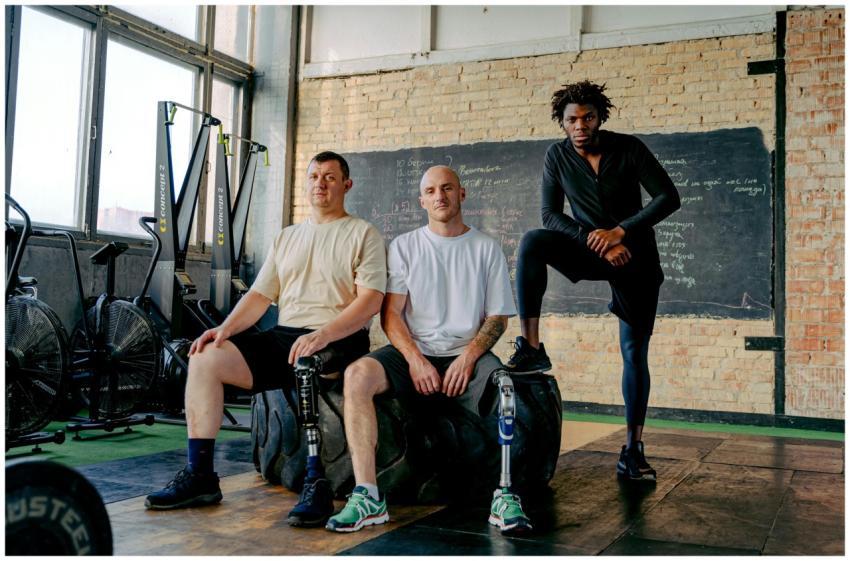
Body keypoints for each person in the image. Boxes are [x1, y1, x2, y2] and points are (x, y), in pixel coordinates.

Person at [145, 151, 387, 528]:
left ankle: (314, 481)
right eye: (314, 176)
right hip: (287, 335)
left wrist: (323, 334)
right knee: (205, 357)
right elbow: (259, 296)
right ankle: (201, 476)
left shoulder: (363, 233)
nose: (320, 183)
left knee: (305, 364)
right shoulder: (288, 237)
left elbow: (370, 300)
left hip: (340, 336)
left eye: (329, 177)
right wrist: (224, 330)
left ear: (346, 185)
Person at [325, 165, 531, 534]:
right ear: (422, 200)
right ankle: (368, 495)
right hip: (414, 352)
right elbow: (391, 316)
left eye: (447, 188)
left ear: (461, 194)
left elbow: (498, 318)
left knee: (505, 387)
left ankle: (504, 495)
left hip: (467, 351)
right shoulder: (404, 246)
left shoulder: (485, 248)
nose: (440, 196)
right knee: (357, 375)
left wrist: (468, 358)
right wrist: (416, 361)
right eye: (432, 190)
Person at [508, 81, 680, 481]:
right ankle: (532, 347)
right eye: (572, 120)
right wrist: (596, 240)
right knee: (534, 241)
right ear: (562, 123)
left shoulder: (630, 148)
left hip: (635, 255)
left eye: (587, 117)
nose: (580, 125)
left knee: (634, 351)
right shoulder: (557, 156)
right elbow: (550, 215)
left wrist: (621, 232)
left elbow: (667, 198)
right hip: (592, 248)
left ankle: (632, 450)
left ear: (600, 117)